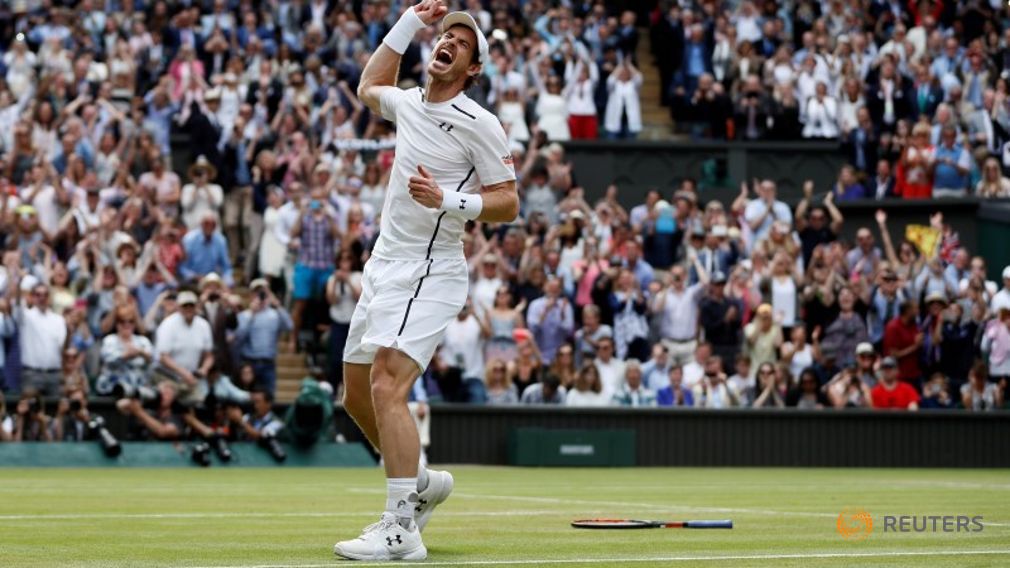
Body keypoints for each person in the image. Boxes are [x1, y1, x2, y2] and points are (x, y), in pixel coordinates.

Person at [335, 3, 518, 561]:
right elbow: (370, 84)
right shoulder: (409, 102)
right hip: (384, 265)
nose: (449, 43)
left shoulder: (479, 122)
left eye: (461, 42)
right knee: (355, 395)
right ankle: (421, 481)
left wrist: (449, 200)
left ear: (472, 68)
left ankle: (400, 531)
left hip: (432, 267)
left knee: (389, 384)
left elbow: (507, 201)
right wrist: (410, 22)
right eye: (445, 36)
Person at [234, 280, 293, 395]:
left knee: (269, 397)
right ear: (251, 295)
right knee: (248, 397)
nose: (260, 295)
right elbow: (239, 337)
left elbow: (289, 326)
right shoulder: (244, 315)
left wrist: (277, 304)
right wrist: (252, 314)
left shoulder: (275, 314)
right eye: (256, 292)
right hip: (249, 364)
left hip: (268, 364)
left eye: (263, 292)